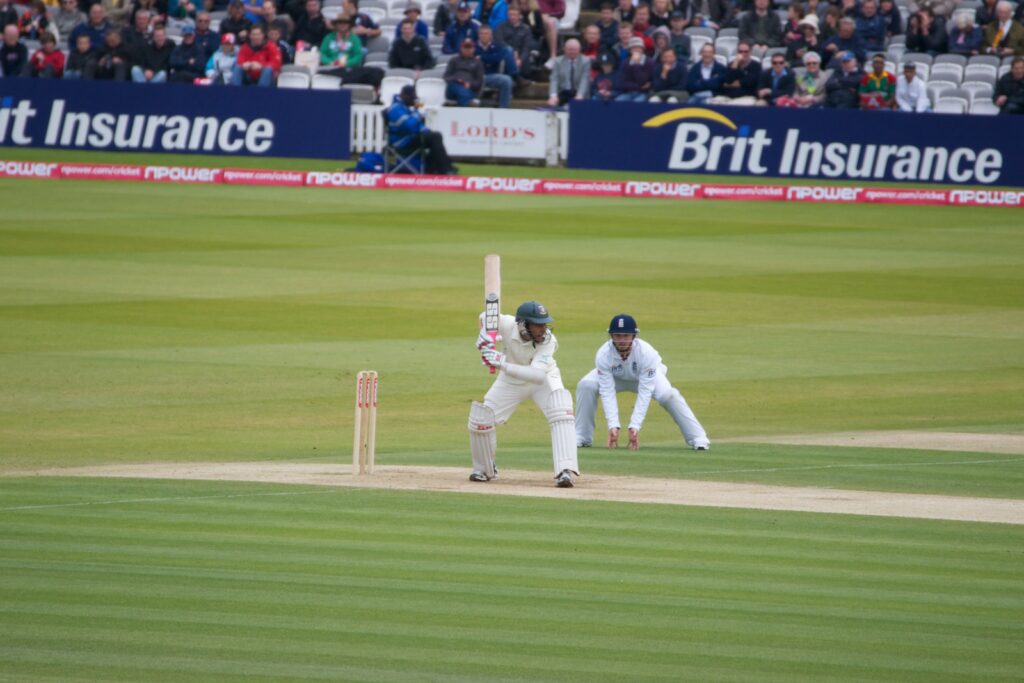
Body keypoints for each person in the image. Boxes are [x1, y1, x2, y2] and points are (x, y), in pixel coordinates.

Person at [473, 301, 579, 488]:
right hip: (510, 381)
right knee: (482, 418)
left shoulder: (549, 341)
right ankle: (485, 469)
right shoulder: (507, 324)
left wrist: (501, 363)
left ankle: (565, 470)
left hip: (544, 379)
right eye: (538, 324)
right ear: (523, 324)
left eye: (545, 324)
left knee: (561, 409)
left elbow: (537, 375)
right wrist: (485, 334)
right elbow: (485, 316)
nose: (543, 329)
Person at [575, 314, 709, 453]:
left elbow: (645, 392)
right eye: (617, 335)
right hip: (616, 379)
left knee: (670, 395)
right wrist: (613, 426)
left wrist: (634, 427)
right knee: (586, 385)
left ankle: (698, 438)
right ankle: (582, 436)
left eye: (626, 335)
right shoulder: (603, 354)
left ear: (634, 336)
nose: (621, 340)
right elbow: (607, 391)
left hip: (644, 378)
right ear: (611, 336)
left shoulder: (646, 353)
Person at [386, 84, 457, 173]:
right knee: (435, 137)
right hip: (402, 142)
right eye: (413, 98)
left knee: (435, 137)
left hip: (409, 138)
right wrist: (418, 113)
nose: (414, 100)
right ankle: (445, 170)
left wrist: (425, 129)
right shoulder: (395, 108)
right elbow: (409, 126)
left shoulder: (405, 108)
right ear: (405, 96)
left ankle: (438, 168)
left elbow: (416, 125)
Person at [495, 4, 536, 79]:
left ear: (519, 15)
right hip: (505, 56)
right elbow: (499, 42)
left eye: (515, 15)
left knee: (526, 61)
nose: (512, 17)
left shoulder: (526, 29)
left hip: (521, 56)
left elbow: (527, 47)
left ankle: (519, 78)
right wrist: (512, 54)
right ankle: (516, 78)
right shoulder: (500, 27)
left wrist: (520, 59)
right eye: (510, 15)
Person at [547, 36, 590, 105]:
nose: (572, 52)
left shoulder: (585, 61)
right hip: (563, 92)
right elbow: (554, 79)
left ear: (579, 50)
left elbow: (584, 79)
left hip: (578, 91)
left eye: (575, 50)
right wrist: (553, 95)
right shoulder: (558, 61)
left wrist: (580, 95)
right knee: (553, 103)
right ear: (564, 49)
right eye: (570, 49)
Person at [715, 38, 761, 103]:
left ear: (750, 52)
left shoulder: (756, 66)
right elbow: (727, 81)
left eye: (746, 51)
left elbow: (748, 83)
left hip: (747, 97)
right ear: (737, 52)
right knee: (714, 101)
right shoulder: (732, 64)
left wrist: (731, 84)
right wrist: (735, 63)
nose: (743, 54)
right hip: (728, 96)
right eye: (740, 51)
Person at [444, 36, 484, 104]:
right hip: (454, 86)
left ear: (473, 49)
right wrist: (457, 80)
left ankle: (462, 111)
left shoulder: (478, 63)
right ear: (461, 48)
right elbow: (446, 76)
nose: (467, 49)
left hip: (469, 88)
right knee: (463, 92)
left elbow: (479, 82)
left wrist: (470, 84)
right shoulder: (454, 60)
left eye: (469, 47)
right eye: (465, 47)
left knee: (464, 93)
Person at [615, 35, 653, 100]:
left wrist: (637, 64)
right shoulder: (625, 63)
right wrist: (640, 87)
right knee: (618, 100)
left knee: (638, 101)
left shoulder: (649, 62)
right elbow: (623, 83)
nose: (636, 50)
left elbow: (643, 81)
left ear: (642, 49)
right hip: (628, 92)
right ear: (630, 50)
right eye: (634, 48)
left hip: (643, 93)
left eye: (638, 47)